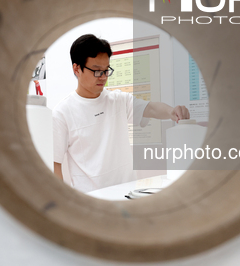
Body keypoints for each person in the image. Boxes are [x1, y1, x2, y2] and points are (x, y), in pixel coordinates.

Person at [52, 34, 190, 193]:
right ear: (77, 68)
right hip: (91, 201)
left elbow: (150, 108)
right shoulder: (62, 113)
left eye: (106, 70)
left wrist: (172, 111)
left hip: (127, 194)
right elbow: (55, 164)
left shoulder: (118, 100)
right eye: (97, 71)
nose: (103, 77)